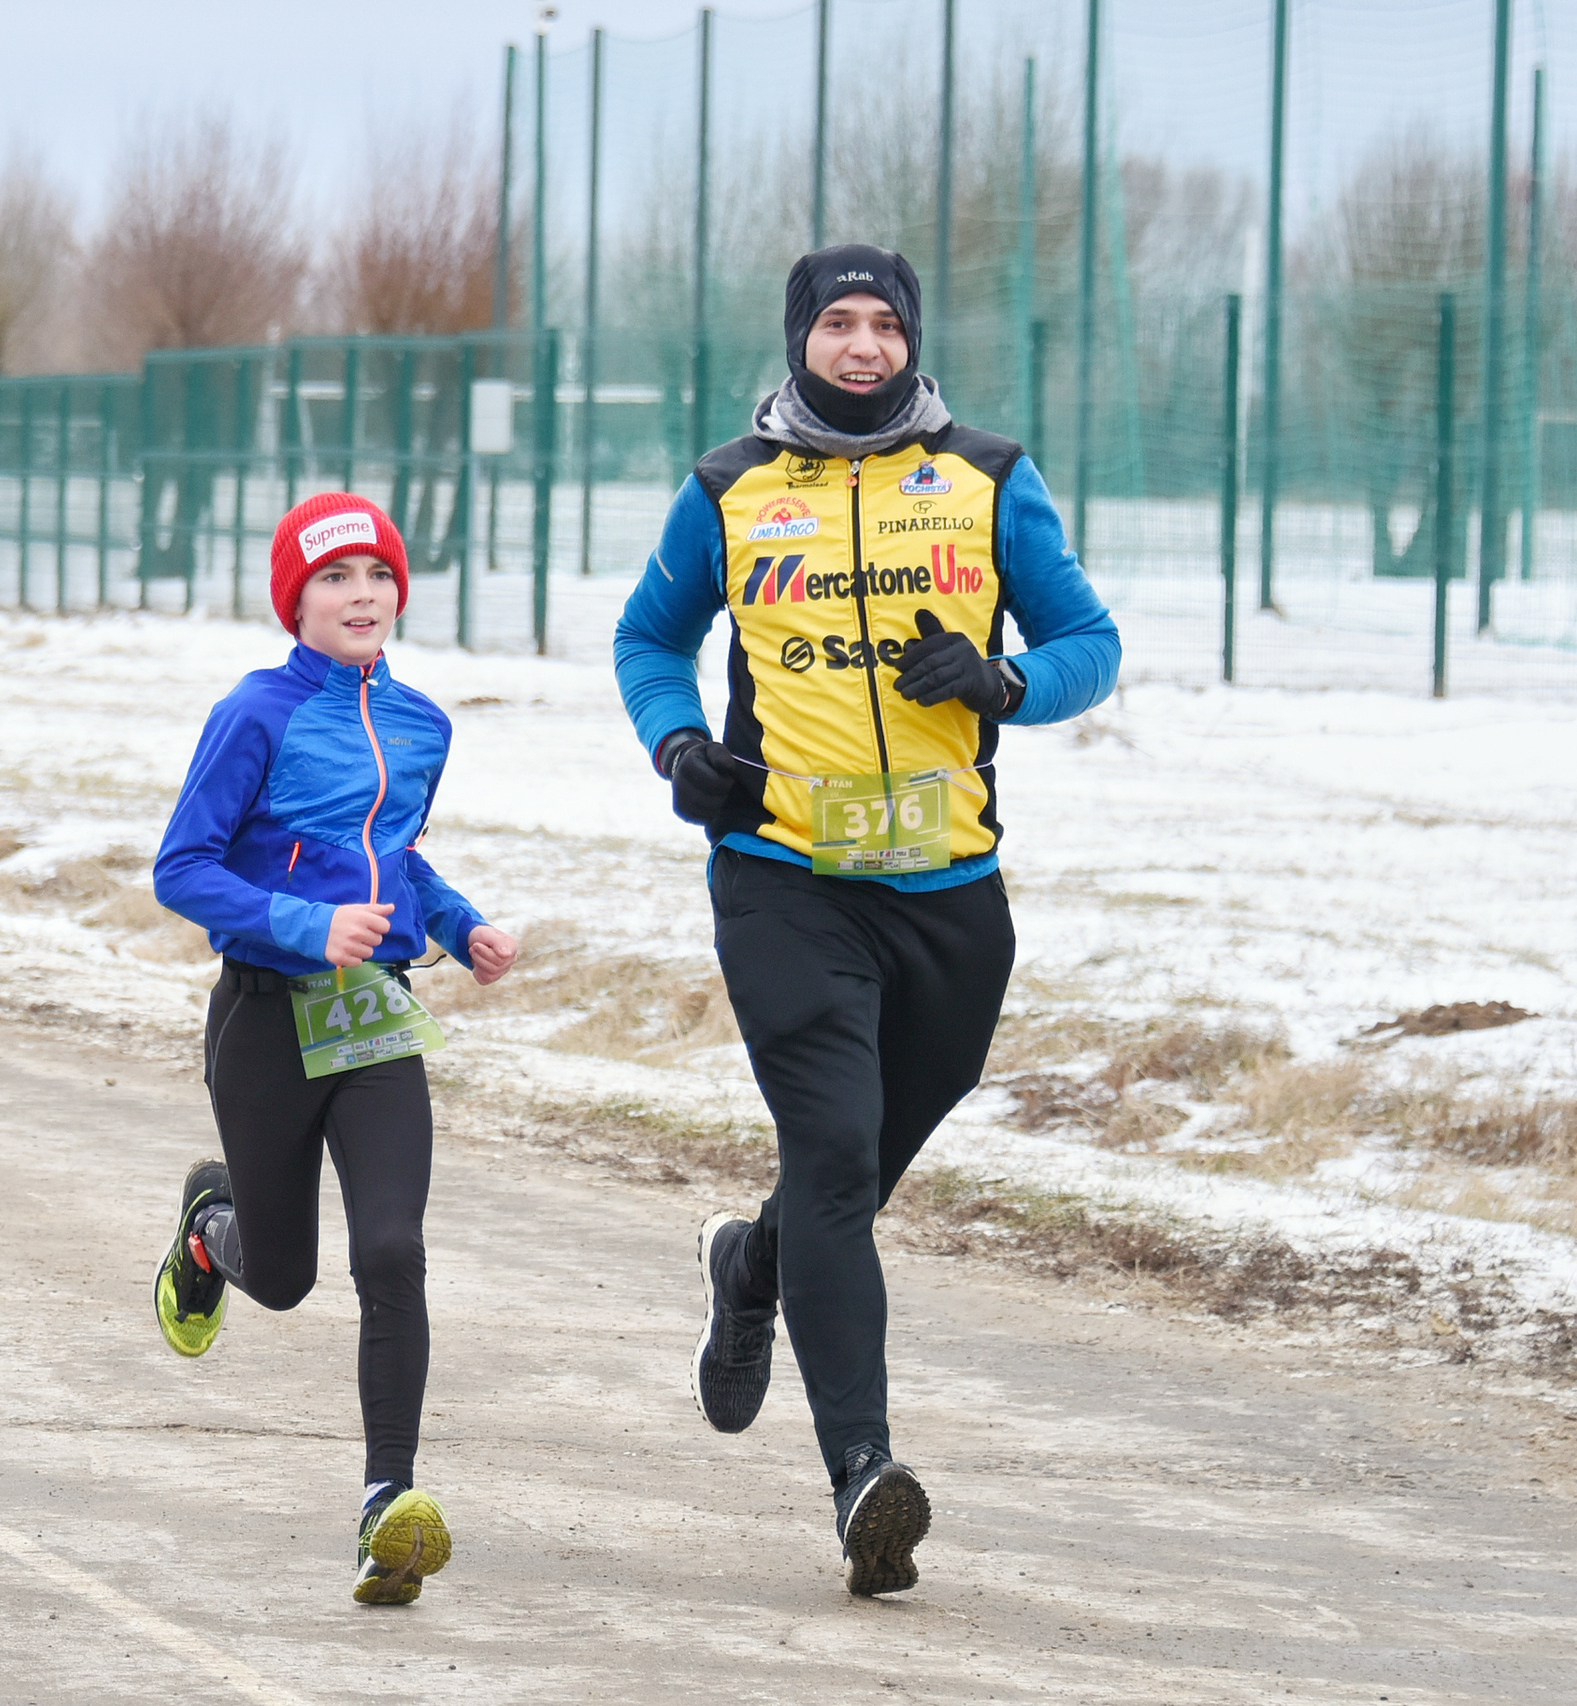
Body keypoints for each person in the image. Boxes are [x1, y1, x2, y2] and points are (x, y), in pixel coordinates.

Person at [613, 245, 1120, 1596]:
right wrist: (677, 749)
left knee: (863, 1158)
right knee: (832, 1152)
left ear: (911, 340)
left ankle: (755, 1260)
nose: (860, 346)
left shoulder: (987, 476)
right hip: (783, 877)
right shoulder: (730, 485)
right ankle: (862, 1475)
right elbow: (648, 639)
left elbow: (1094, 644)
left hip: (952, 895)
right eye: (835, 322)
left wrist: (1005, 680)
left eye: (882, 323)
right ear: (799, 339)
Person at [148, 493, 521, 1605]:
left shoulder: (421, 723)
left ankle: (385, 1501)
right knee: (288, 1276)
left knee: (391, 1250)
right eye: (334, 578)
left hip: (372, 1021)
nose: (363, 595)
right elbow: (183, 866)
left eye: (377, 574)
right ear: (294, 601)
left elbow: (396, 855)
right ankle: (213, 1235)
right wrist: (303, 924)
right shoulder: (252, 714)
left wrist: (460, 925)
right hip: (264, 1016)